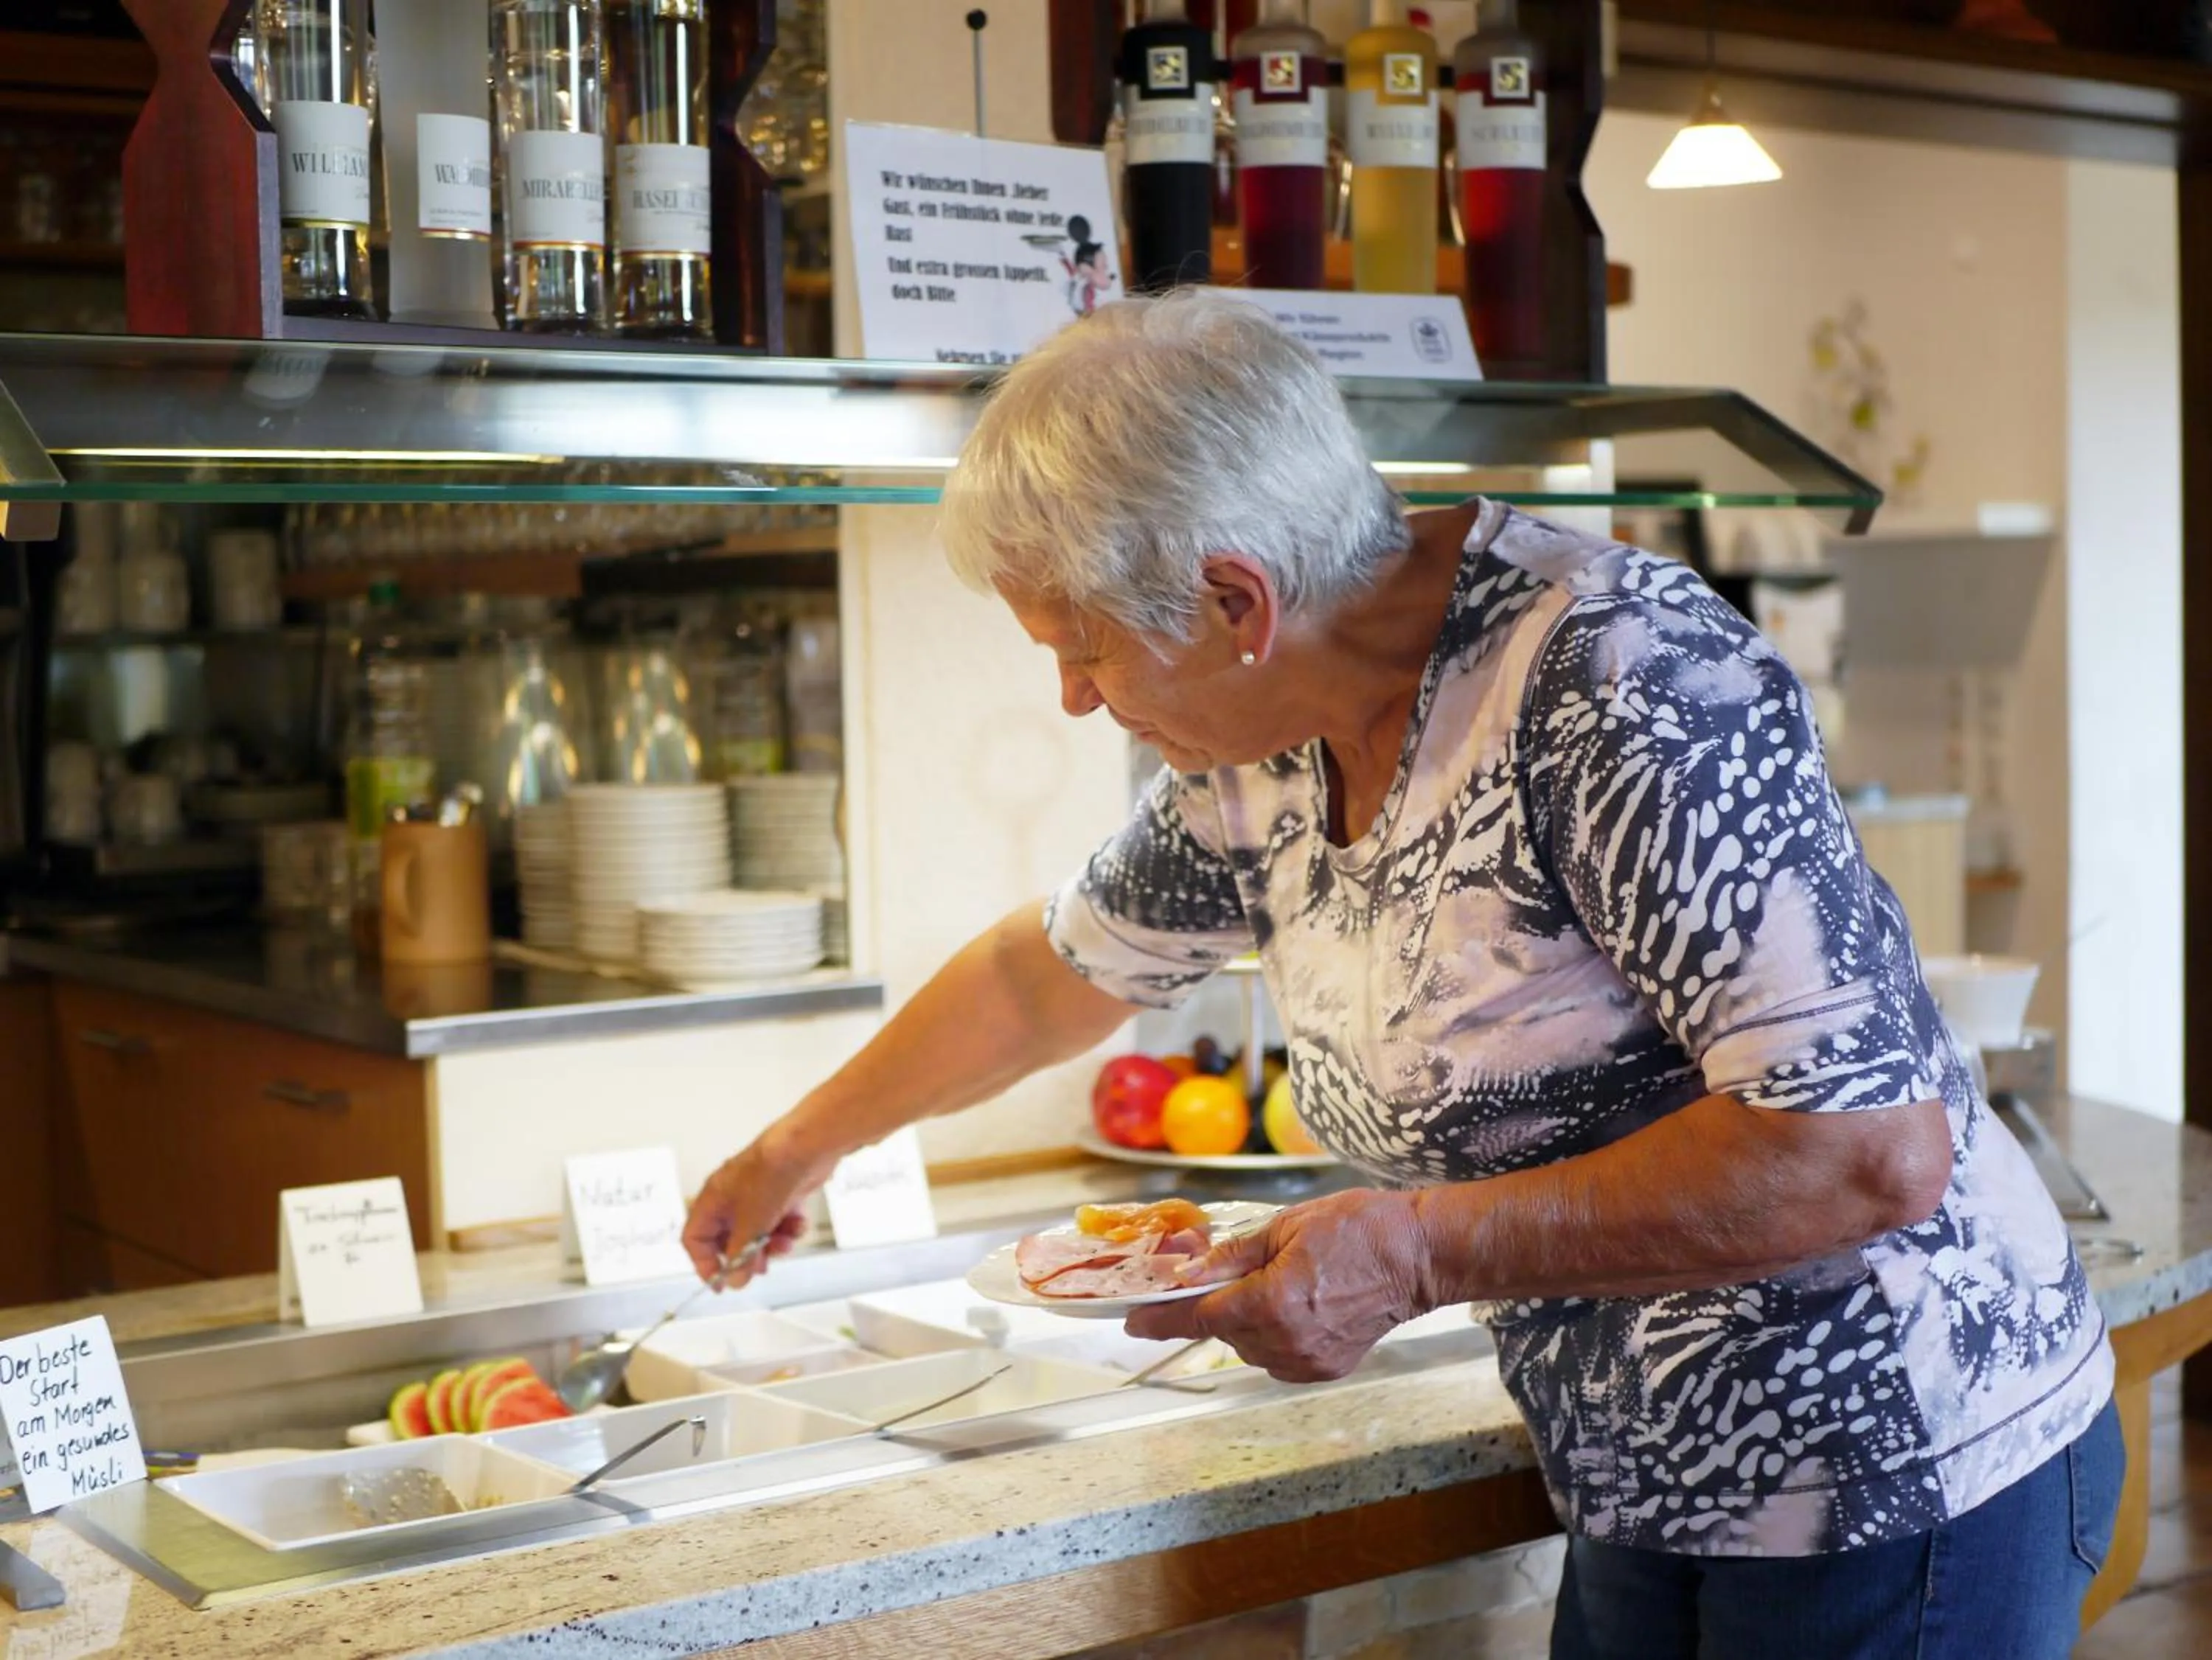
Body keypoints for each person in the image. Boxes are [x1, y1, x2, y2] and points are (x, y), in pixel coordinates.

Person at [683, 292, 2119, 1659]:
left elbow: (1863, 1149)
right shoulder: (1268, 751)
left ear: (1237, 599)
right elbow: (1053, 973)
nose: (1073, 696)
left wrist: (1419, 1248)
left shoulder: (1619, 679)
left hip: (1891, 1448)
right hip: (1646, 1466)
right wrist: (792, 1149)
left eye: (1082, 647)